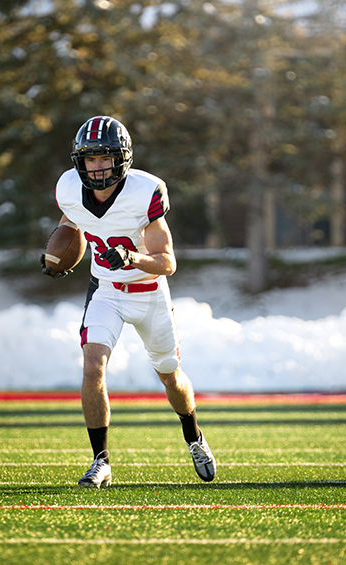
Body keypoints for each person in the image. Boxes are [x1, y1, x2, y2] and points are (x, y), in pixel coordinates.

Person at [41, 115, 216, 488]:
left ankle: (194, 437)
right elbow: (70, 225)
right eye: (91, 159)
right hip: (105, 290)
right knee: (92, 366)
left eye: (105, 158)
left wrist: (134, 258)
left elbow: (168, 262)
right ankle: (100, 461)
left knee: (170, 377)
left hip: (149, 294)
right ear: (79, 161)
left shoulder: (144, 191)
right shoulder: (70, 188)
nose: (98, 167)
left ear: (122, 159)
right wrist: (56, 254)